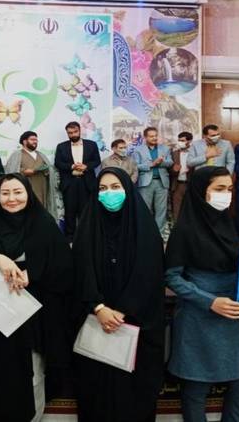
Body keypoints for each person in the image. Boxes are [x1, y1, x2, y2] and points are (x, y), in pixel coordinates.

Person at [0, 174, 73, 422]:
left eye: (17, 192)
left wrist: (33, 273)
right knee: (1, 370)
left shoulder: (43, 222)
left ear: (28, 194)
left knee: (33, 372)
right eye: (5, 193)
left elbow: (64, 264)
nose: (11, 198)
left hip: (35, 310)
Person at [165, 166, 239, 421]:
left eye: (230, 189)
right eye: (219, 189)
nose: (226, 195)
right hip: (199, 316)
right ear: (201, 192)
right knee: (196, 386)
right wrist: (209, 301)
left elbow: (233, 263)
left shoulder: (228, 223)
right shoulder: (184, 230)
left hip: (232, 314)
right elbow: (171, 277)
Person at [72, 167, 165, 422]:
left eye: (115, 187)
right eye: (102, 189)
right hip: (96, 323)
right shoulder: (87, 227)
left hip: (135, 325)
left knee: (133, 397)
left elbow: (150, 272)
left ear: (128, 189)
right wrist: (98, 307)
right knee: (97, 394)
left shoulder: (144, 228)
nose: (109, 193)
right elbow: (80, 270)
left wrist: (124, 310)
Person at [54, 121, 100, 240]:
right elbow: (58, 163)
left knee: (86, 212)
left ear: (80, 130)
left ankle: (86, 237)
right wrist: (72, 166)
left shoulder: (92, 145)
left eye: (75, 132)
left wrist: (86, 166)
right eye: (70, 133)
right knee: (70, 212)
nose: (73, 135)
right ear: (67, 133)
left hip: (87, 183)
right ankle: (70, 238)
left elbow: (97, 161)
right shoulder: (61, 146)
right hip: (70, 183)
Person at [5, 131, 59, 221]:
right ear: (24, 141)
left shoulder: (41, 155)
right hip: (25, 189)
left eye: (36, 140)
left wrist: (47, 171)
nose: (35, 142)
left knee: (41, 213)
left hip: (42, 189)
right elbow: (10, 172)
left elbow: (50, 170)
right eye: (32, 140)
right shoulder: (16, 155)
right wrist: (24, 172)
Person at [133, 127, 173, 236]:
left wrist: (161, 162)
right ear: (145, 137)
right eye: (151, 136)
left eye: (156, 135)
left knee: (161, 209)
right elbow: (135, 166)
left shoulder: (165, 148)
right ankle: (146, 234)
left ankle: (159, 235)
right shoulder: (138, 150)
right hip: (146, 183)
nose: (154, 138)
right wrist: (152, 164)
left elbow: (170, 162)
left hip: (162, 182)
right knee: (145, 209)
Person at [170, 131, 193, 221]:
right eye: (179, 140)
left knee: (191, 208)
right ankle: (177, 226)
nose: (180, 142)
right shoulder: (174, 153)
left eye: (182, 140)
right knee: (177, 209)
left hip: (191, 184)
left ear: (189, 141)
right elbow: (169, 170)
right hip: (177, 185)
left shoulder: (194, 153)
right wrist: (174, 170)